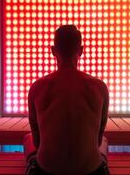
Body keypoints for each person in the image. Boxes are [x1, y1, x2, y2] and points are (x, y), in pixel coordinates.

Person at [23, 25, 110, 175]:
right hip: (92, 171)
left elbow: (37, 142)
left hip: (46, 171)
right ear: (81, 50)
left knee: (28, 139)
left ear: (53, 51)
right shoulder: (99, 87)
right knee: (104, 142)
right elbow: (97, 141)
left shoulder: (38, 87)